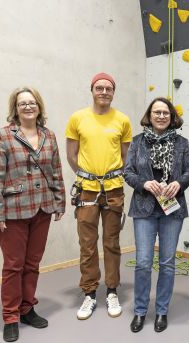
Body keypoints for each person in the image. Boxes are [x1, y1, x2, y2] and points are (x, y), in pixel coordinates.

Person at [0, 87, 65, 342]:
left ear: (39, 107)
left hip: (42, 207)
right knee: (13, 266)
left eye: (32, 103)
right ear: (15, 108)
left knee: (32, 264)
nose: (28, 107)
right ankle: (10, 317)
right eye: (23, 104)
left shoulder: (49, 136)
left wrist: (59, 202)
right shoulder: (2, 136)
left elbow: (55, 171)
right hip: (13, 211)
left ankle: (27, 308)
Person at [65, 72, 132, 320]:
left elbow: (127, 156)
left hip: (114, 189)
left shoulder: (122, 120)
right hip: (87, 189)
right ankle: (90, 293)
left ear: (113, 92)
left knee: (111, 242)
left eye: (108, 89)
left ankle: (112, 290)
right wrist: (87, 178)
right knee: (87, 244)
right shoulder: (77, 118)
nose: (104, 92)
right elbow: (71, 155)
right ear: (92, 90)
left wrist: (112, 178)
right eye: (99, 88)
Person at [124, 97, 189, 333]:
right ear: (149, 115)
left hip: (172, 209)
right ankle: (140, 311)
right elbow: (128, 173)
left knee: (167, 262)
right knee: (143, 263)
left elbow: (188, 173)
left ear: (172, 116)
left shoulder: (182, 142)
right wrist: (144, 183)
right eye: (157, 112)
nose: (161, 116)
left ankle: (162, 311)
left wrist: (179, 184)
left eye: (165, 112)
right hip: (144, 208)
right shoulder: (137, 142)